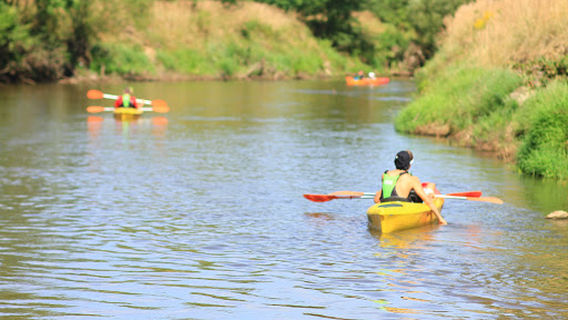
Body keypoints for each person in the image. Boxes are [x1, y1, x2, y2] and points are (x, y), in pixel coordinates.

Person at [374, 150, 447, 225]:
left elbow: (378, 198)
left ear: (395, 162)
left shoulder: (385, 175)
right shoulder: (412, 179)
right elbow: (427, 201)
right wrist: (440, 218)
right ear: (409, 165)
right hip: (401, 208)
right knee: (430, 187)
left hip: (386, 205)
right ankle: (430, 191)